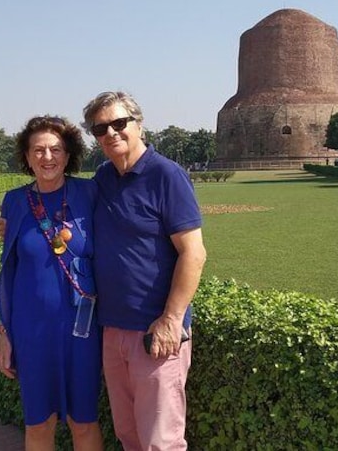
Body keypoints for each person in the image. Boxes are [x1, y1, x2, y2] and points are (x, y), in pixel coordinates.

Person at [82, 91, 206, 451]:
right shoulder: (104, 178)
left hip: (155, 330)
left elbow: (193, 253)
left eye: (119, 123)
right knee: (130, 435)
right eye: (101, 128)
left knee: (160, 441)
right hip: (113, 328)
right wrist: (12, 219)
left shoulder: (166, 175)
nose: (111, 133)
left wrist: (172, 318)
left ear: (139, 124)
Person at [0, 115, 103, 451]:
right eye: (38, 150)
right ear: (26, 157)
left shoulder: (90, 193)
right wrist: (4, 333)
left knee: (83, 422)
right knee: (39, 422)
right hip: (32, 332)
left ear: (68, 155)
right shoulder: (14, 202)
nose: (47, 157)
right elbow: (8, 272)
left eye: (56, 149)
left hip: (82, 331)